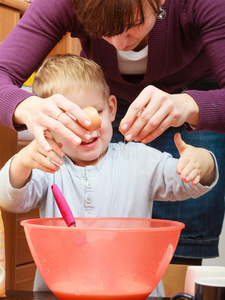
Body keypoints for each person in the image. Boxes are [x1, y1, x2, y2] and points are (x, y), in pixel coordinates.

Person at [0, 0, 224, 262]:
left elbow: (193, 181)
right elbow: (10, 195)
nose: (119, 43)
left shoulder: (204, 3)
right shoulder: (51, 169)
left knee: (179, 250)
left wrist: (190, 112)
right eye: (102, 30)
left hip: (194, 95)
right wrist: (25, 106)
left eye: (132, 26)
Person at [0, 54, 218, 294]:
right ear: (48, 126)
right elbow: (9, 199)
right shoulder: (48, 165)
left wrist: (203, 163)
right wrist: (21, 163)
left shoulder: (139, 160)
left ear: (112, 109)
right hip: (62, 293)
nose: (88, 126)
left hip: (134, 291)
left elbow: (188, 185)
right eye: (71, 121)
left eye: (96, 112)